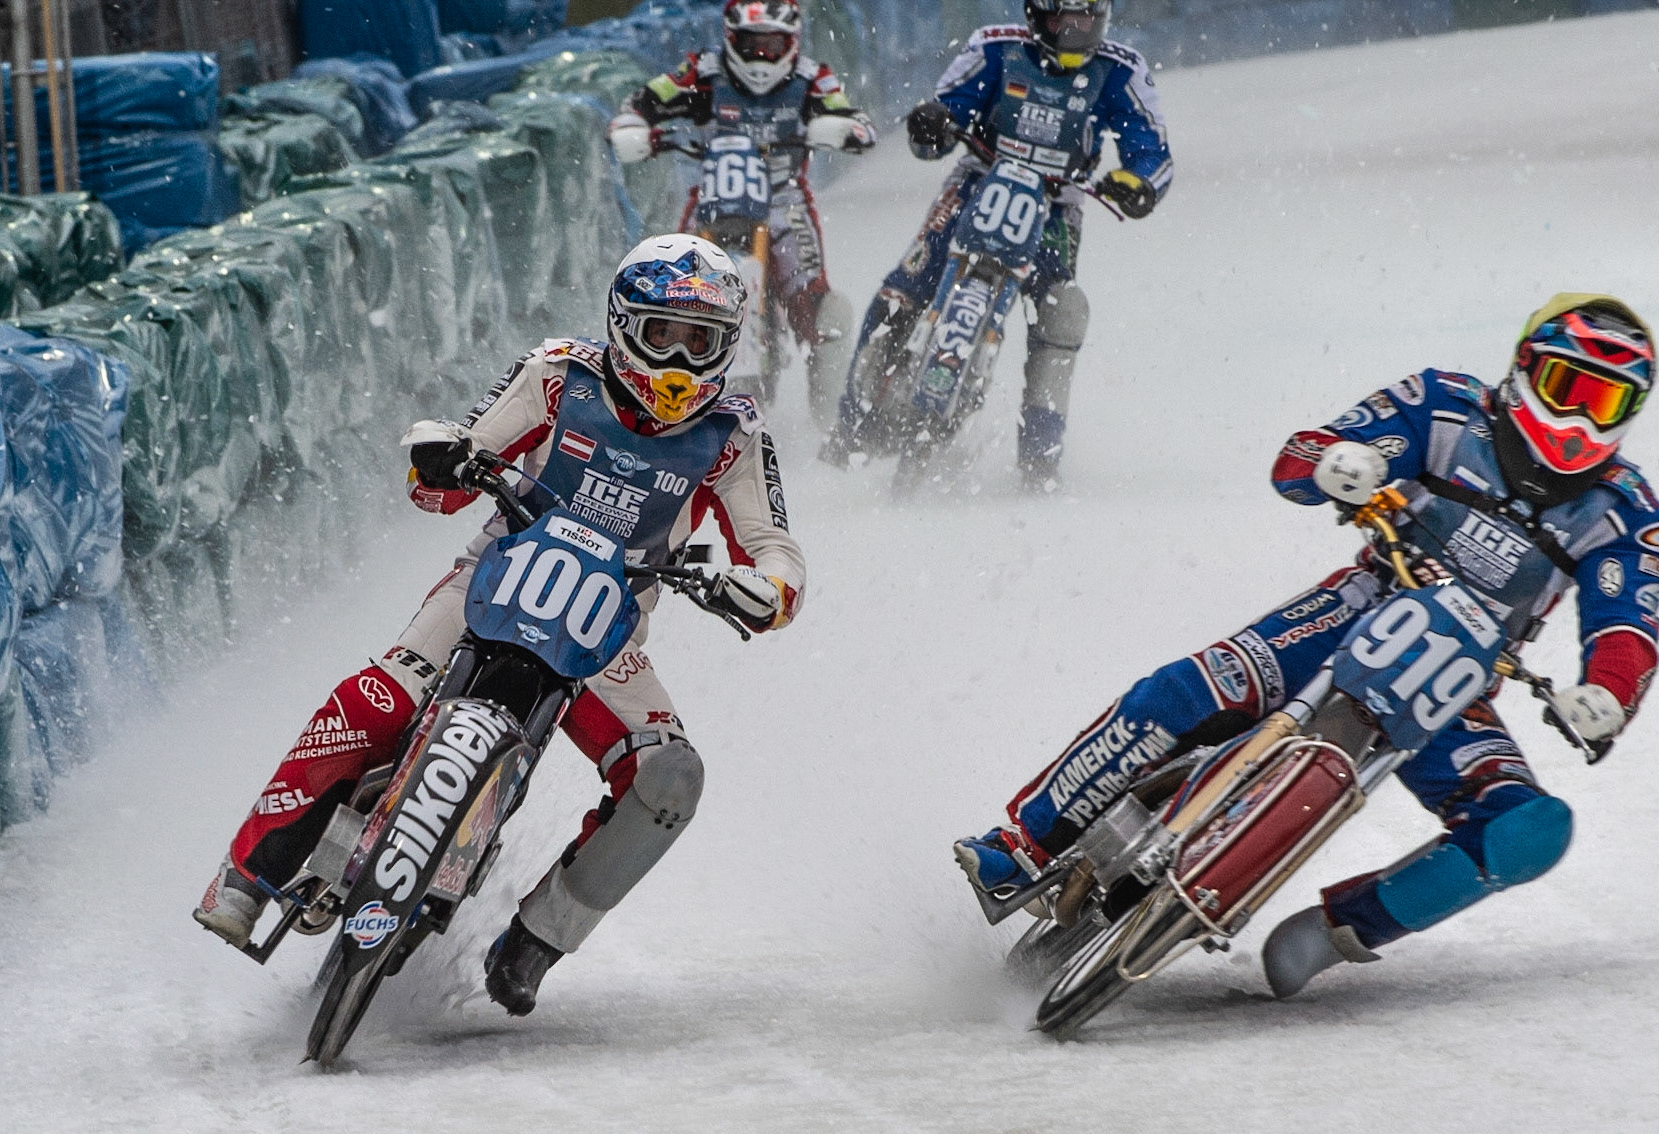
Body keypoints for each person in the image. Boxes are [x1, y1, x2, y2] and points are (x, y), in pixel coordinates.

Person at [955, 295, 1659, 994]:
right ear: (1522, 370)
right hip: (1355, 606)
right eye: (1566, 388)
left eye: (1603, 404)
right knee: (1189, 691)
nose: (1577, 418)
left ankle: (1339, 931)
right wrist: (1338, 463)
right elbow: (1302, 454)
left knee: (1527, 828)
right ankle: (1020, 846)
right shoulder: (1443, 404)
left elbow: (1627, 625)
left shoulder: (1627, 510)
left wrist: (1607, 693)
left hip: (1456, 685)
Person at [194, 235, 806, 1016]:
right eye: (663, 335)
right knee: (375, 699)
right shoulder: (558, 374)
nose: (680, 364)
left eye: (701, 343)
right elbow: (449, 471)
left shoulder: (734, 433)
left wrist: (760, 588)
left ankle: (535, 943)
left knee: (672, 776)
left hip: (605, 632)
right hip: (491, 580)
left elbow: (778, 553)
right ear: (623, 326)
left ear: (729, 347)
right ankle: (246, 873)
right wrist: (443, 459)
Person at [824, 0, 1173, 489]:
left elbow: (1152, 149)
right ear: (1036, 19)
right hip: (977, 179)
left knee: (1061, 312)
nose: (1073, 33)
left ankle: (1040, 457)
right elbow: (942, 120)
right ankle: (852, 425)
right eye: (1060, 22)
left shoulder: (1121, 70)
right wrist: (933, 124)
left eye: (1085, 22)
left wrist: (1138, 182)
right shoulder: (994, 48)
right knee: (904, 286)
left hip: (1057, 204)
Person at [606, 0, 876, 423]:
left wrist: (845, 128)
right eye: (751, 43)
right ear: (732, 39)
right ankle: (662, 388)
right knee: (674, 287)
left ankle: (832, 417)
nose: (761, 55)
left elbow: (858, 122)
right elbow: (642, 101)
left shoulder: (813, 79)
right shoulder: (702, 72)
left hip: (784, 198)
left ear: (791, 42)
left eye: (772, 44)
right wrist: (633, 127)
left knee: (815, 299)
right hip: (713, 196)